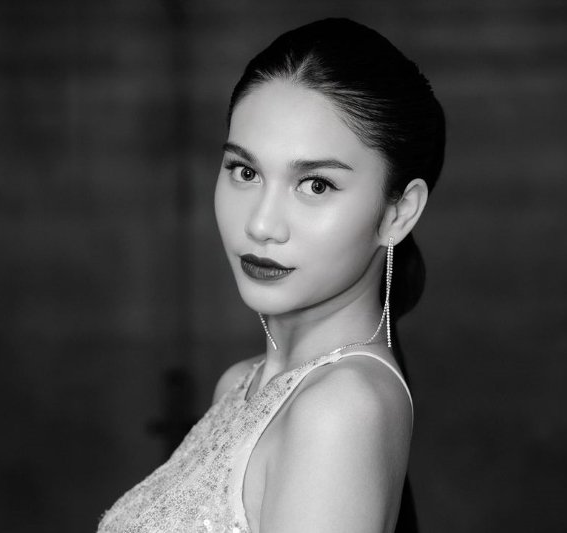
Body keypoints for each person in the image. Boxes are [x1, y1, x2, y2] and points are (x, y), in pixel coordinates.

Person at [98, 17, 445, 533]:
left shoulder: (339, 408)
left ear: (398, 212)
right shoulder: (242, 385)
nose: (261, 225)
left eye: (316, 185)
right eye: (245, 172)